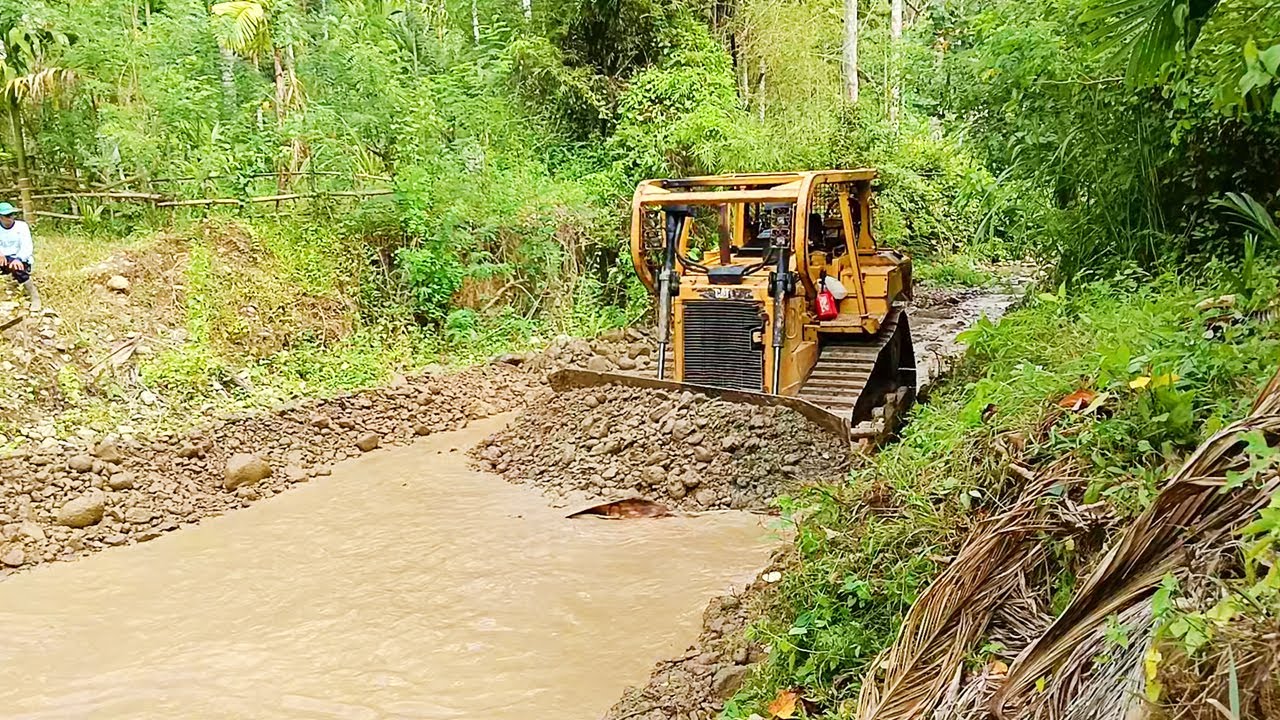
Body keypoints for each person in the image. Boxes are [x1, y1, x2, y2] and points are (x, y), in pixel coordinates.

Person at [0, 202, 41, 312]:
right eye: (7, 216)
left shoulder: (21, 226)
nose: (10, 218)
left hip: (18, 258)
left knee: (17, 268)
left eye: (12, 215)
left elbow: (27, 246)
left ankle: (34, 296)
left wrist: (19, 258)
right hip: (3, 258)